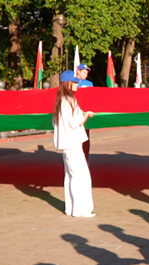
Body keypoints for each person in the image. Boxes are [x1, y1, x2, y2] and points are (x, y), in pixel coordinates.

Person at [53, 70, 96, 218]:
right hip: (73, 144)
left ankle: (71, 208)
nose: (78, 84)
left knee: (70, 177)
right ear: (67, 83)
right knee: (80, 177)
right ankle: (80, 210)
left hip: (67, 146)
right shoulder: (70, 100)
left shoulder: (60, 101)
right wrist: (85, 116)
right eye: (75, 82)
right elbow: (74, 123)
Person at [76, 64, 94, 160]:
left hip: (85, 112)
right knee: (76, 136)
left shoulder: (89, 83)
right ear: (78, 72)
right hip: (75, 112)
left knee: (85, 136)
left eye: (86, 73)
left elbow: (91, 97)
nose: (85, 74)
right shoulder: (73, 82)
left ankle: (85, 158)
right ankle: (77, 158)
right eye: (84, 72)